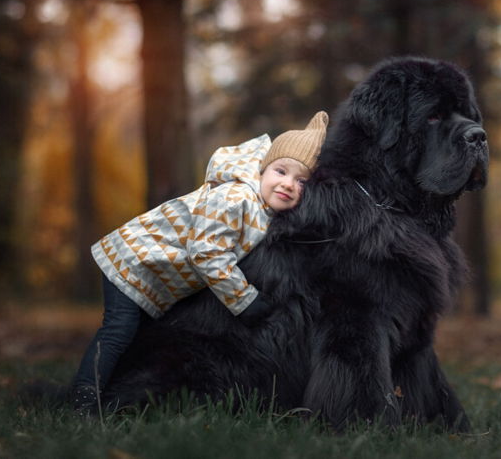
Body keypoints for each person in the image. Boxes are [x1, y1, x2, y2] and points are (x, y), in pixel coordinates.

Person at [70, 111, 329, 414]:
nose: (288, 184)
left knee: (137, 337)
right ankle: (83, 399)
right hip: (131, 262)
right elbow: (206, 254)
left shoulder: (261, 209)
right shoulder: (236, 198)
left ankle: (110, 390)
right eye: (281, 171)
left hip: (152, 276)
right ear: (262, 169)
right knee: (117, 331)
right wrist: (244, 301)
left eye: (301, 181)